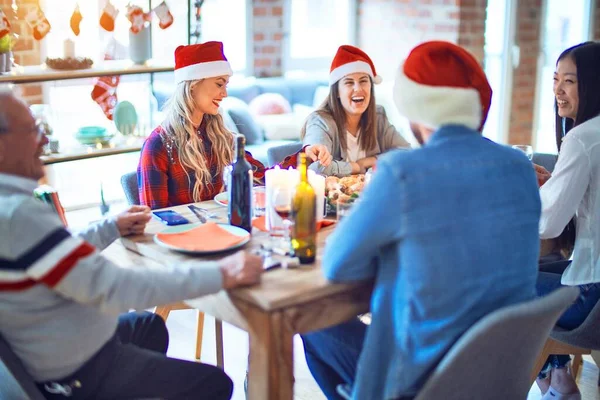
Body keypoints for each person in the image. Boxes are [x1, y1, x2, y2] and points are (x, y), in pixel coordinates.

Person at [300, 41, 540, 400]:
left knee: (310, 322)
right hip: (499, 374)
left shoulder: (402, 173)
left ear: (415, 107)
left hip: (422, 379)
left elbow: (336, 266)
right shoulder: (521, 167)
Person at [0, 89, 263, 399]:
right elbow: (116, 288)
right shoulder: (19, 215)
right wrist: (223, 273)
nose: (44, 140)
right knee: (216, 384)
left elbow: (60, 250)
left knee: (149, 327)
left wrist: (110, 226)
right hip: (77, 373)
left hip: (59, 347)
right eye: (33, 130)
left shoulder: (13, 208)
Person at [138, 41, 332, 209]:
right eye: (219, 84)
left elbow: (263, 178)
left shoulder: (219, 136)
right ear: (193, 84)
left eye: (226, 85)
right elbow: (155, 220)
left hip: (223, 235)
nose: (225, 93)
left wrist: (305, 155)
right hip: (179, 243)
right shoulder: (158, 146)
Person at [532, 41, 600, 400]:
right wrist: (556, 184)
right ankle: (559, 379)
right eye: (556, 79)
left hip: (590, 298)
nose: (557, 89)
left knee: (495, 287)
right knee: (547, 266)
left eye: (570, 81)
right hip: (591, 279)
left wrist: (528, 190)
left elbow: (547, 225)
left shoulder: (583, 138)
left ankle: (548, 385)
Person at [301, 44, 411, 177]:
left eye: (363, 81)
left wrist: (372, 161)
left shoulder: (378, 116)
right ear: (337, 92)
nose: (358, 88)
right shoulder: (321, 121)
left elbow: (406, 152)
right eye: (349, 82)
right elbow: (316, 168)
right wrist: (356, 166)